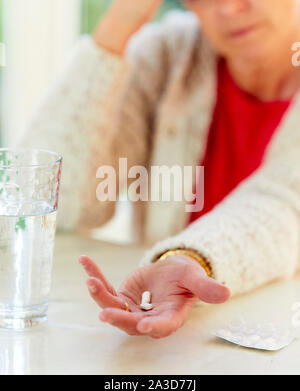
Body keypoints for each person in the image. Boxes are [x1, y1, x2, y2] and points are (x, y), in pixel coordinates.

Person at [22, 0, 300, 338]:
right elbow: (56, 205)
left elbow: (288, 202)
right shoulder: (167, 55)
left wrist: (188, 259)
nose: (227, 8)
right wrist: (114, 32)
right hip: (167, 338)